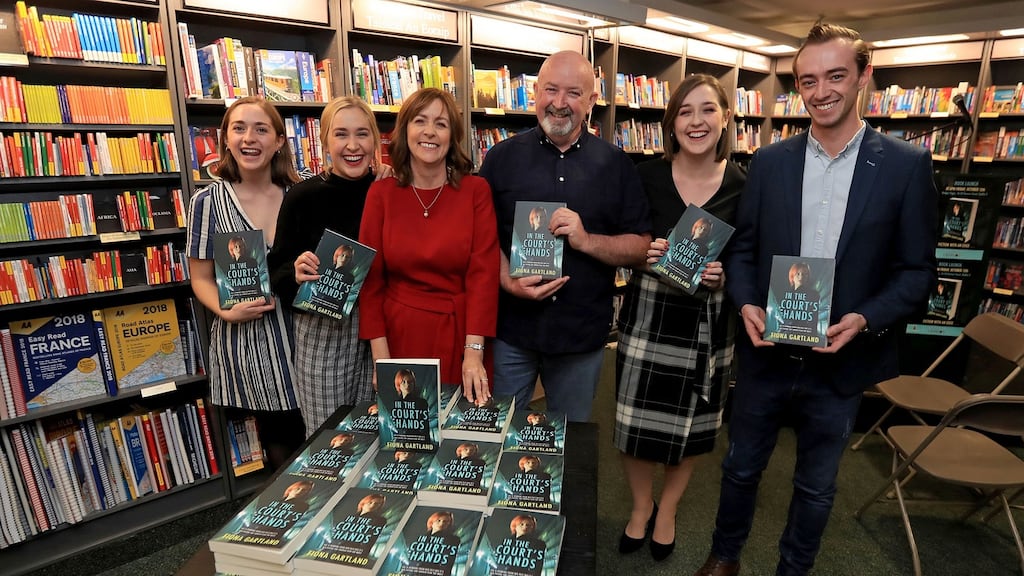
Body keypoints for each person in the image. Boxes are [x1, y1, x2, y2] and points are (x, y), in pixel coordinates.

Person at [692, 23, 937, 576]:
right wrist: (748, 302)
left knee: (817, 485)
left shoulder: (905, 166)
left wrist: (865, 318)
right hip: (767, 352)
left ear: (864, 77)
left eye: (835, 76)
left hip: (841, 361)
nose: (821, 91)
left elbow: (918, 270)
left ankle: (793, 570)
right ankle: (724, 557)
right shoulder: (771, 162)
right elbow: (745, 248)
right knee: (739, 468)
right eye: (807, 80)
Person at [614, 74, 745, 563]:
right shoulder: (645, 176)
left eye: (708, 110)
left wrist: (725, 274)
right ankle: (641, 505)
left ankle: (667, 509)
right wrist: (641, 251)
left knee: (694, 427)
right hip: (650, 311)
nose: (696, 121)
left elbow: (750, 256)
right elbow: (623, 240)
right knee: (633, 421)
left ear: (726, 117)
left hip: (709, 321)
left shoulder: (742, 184)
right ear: (670, 123)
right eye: (685, 112)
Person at [479, 50, 651, 422]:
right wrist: (506, 280)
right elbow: (480, 238)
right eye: (550, 90)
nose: (559, 103)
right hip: (511, 332)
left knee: (571, 448)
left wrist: (587, 239)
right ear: (536, 92)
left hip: (580, 336)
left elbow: (640, 247)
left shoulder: (617, 166)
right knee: (498, 440)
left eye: (573, 93)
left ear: (591, 100)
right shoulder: (500, 159)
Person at [359, 88, 499, 404]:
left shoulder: (476, 191)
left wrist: (474, 352)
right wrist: (381, 358)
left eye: (441, 123)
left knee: (459, 440)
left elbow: (484, 277)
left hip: (462, 335)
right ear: (404, 129)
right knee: (407, 443)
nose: (429, 132)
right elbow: (371, 283)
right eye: (420, 121)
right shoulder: (381, 195)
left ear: (452, 136)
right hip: (399, 337)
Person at [187, 96, 305, 468]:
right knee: (280, 445)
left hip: (306, 335)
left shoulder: (300, 196)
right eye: (239, 128)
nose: (249, 138)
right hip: (253, 342)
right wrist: (225, 309)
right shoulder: (207, 202)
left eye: (260, 129)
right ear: (225, 138)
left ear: (279, 141)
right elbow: (200, 277)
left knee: (321, 436)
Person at [268, 96, 386, 437]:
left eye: (362, 134)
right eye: (341, 134)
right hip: (323, 331)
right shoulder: (303, 196)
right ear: (324, 142)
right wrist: (296, 270)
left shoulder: (388, 191)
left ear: (375, 142)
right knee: (326, 437)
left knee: (378, 430)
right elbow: (277, 271)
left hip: (381, 326)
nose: (353, 145)